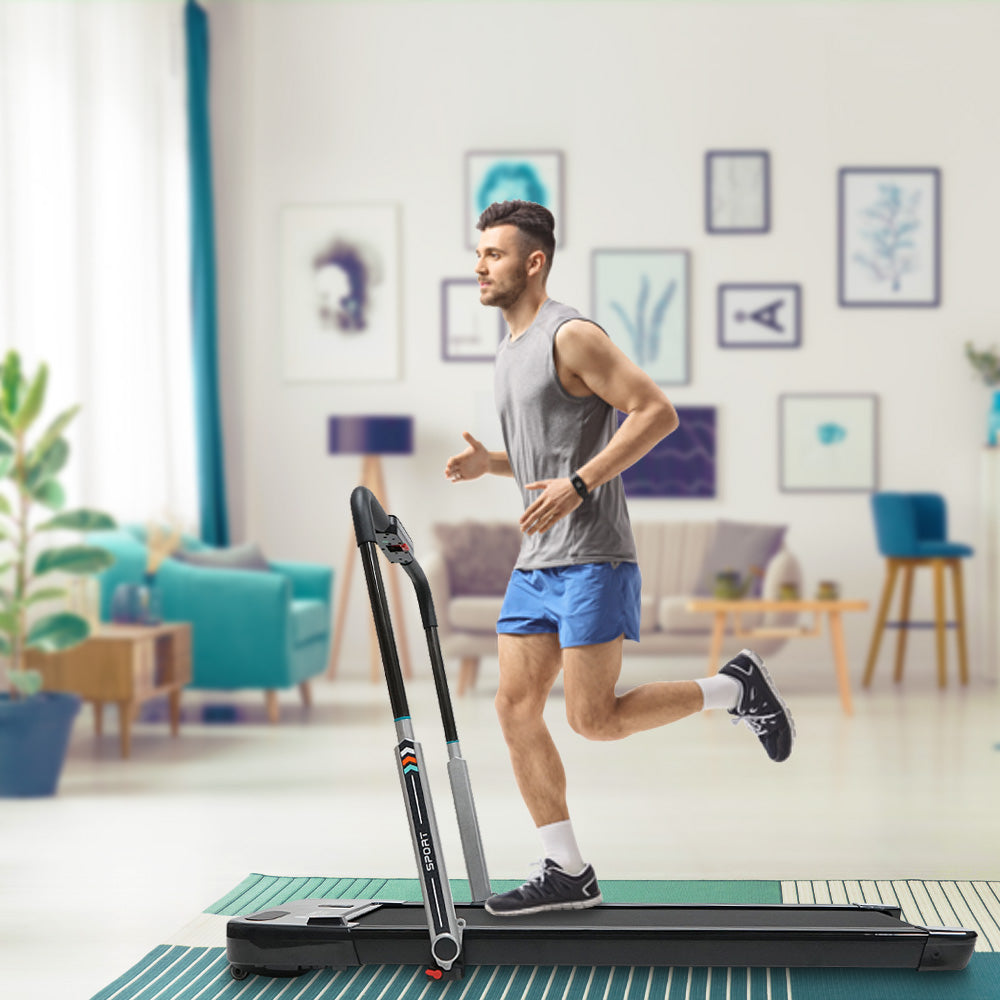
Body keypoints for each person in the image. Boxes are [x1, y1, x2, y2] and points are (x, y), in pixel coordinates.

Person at [444, 200, 794, 918]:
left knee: (593, 719)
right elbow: (552, 456)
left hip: (593, 556)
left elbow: (656, 411)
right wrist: (494, 466)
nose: (479, 266)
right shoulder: (509, 349)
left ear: (533, 262)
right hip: (536, 561)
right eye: (478, 254)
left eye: (494, 255)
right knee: (514, 709)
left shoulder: (570, 335)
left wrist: (579, 486)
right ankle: (567, 869)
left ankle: (735, 687)